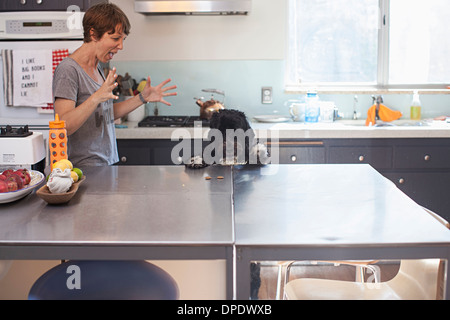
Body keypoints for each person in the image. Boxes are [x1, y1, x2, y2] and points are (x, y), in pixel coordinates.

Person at [53, 3, 177, 167]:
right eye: (115, 38)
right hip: (85, 169)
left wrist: (142, 98)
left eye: (122, 39)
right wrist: (96, 97)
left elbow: (104, 113)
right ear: (93, 34)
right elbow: (63, 126)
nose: (121, 46)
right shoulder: (68, 70)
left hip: (106, 162)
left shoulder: (97, 67)